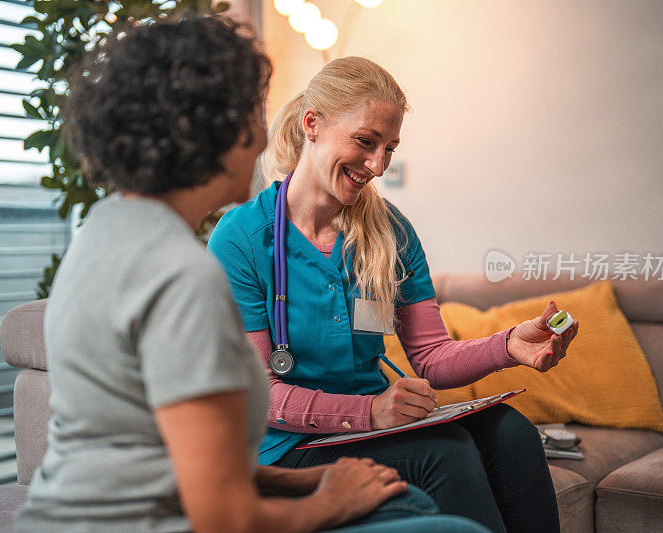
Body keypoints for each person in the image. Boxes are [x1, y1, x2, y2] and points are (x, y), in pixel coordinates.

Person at [14, 17, 487, 533]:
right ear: (214, 130)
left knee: (414, 505)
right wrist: (330, 502)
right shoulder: (184, 274)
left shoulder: (104, 232)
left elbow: (168, 454)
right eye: (252, 114)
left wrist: (312, 483)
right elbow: (221, 514)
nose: (266, 133)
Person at [207, 56, 580, 533]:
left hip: (379, 426)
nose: (378, 166)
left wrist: (508, 345)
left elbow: (431, 355)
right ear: (312, 124)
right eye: (366, 142)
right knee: (444, 455)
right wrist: (370, 411)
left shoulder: (391, 232)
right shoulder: (241, 238)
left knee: (513, 434)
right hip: (286, 447)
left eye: (389, 149)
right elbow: (259, 397)